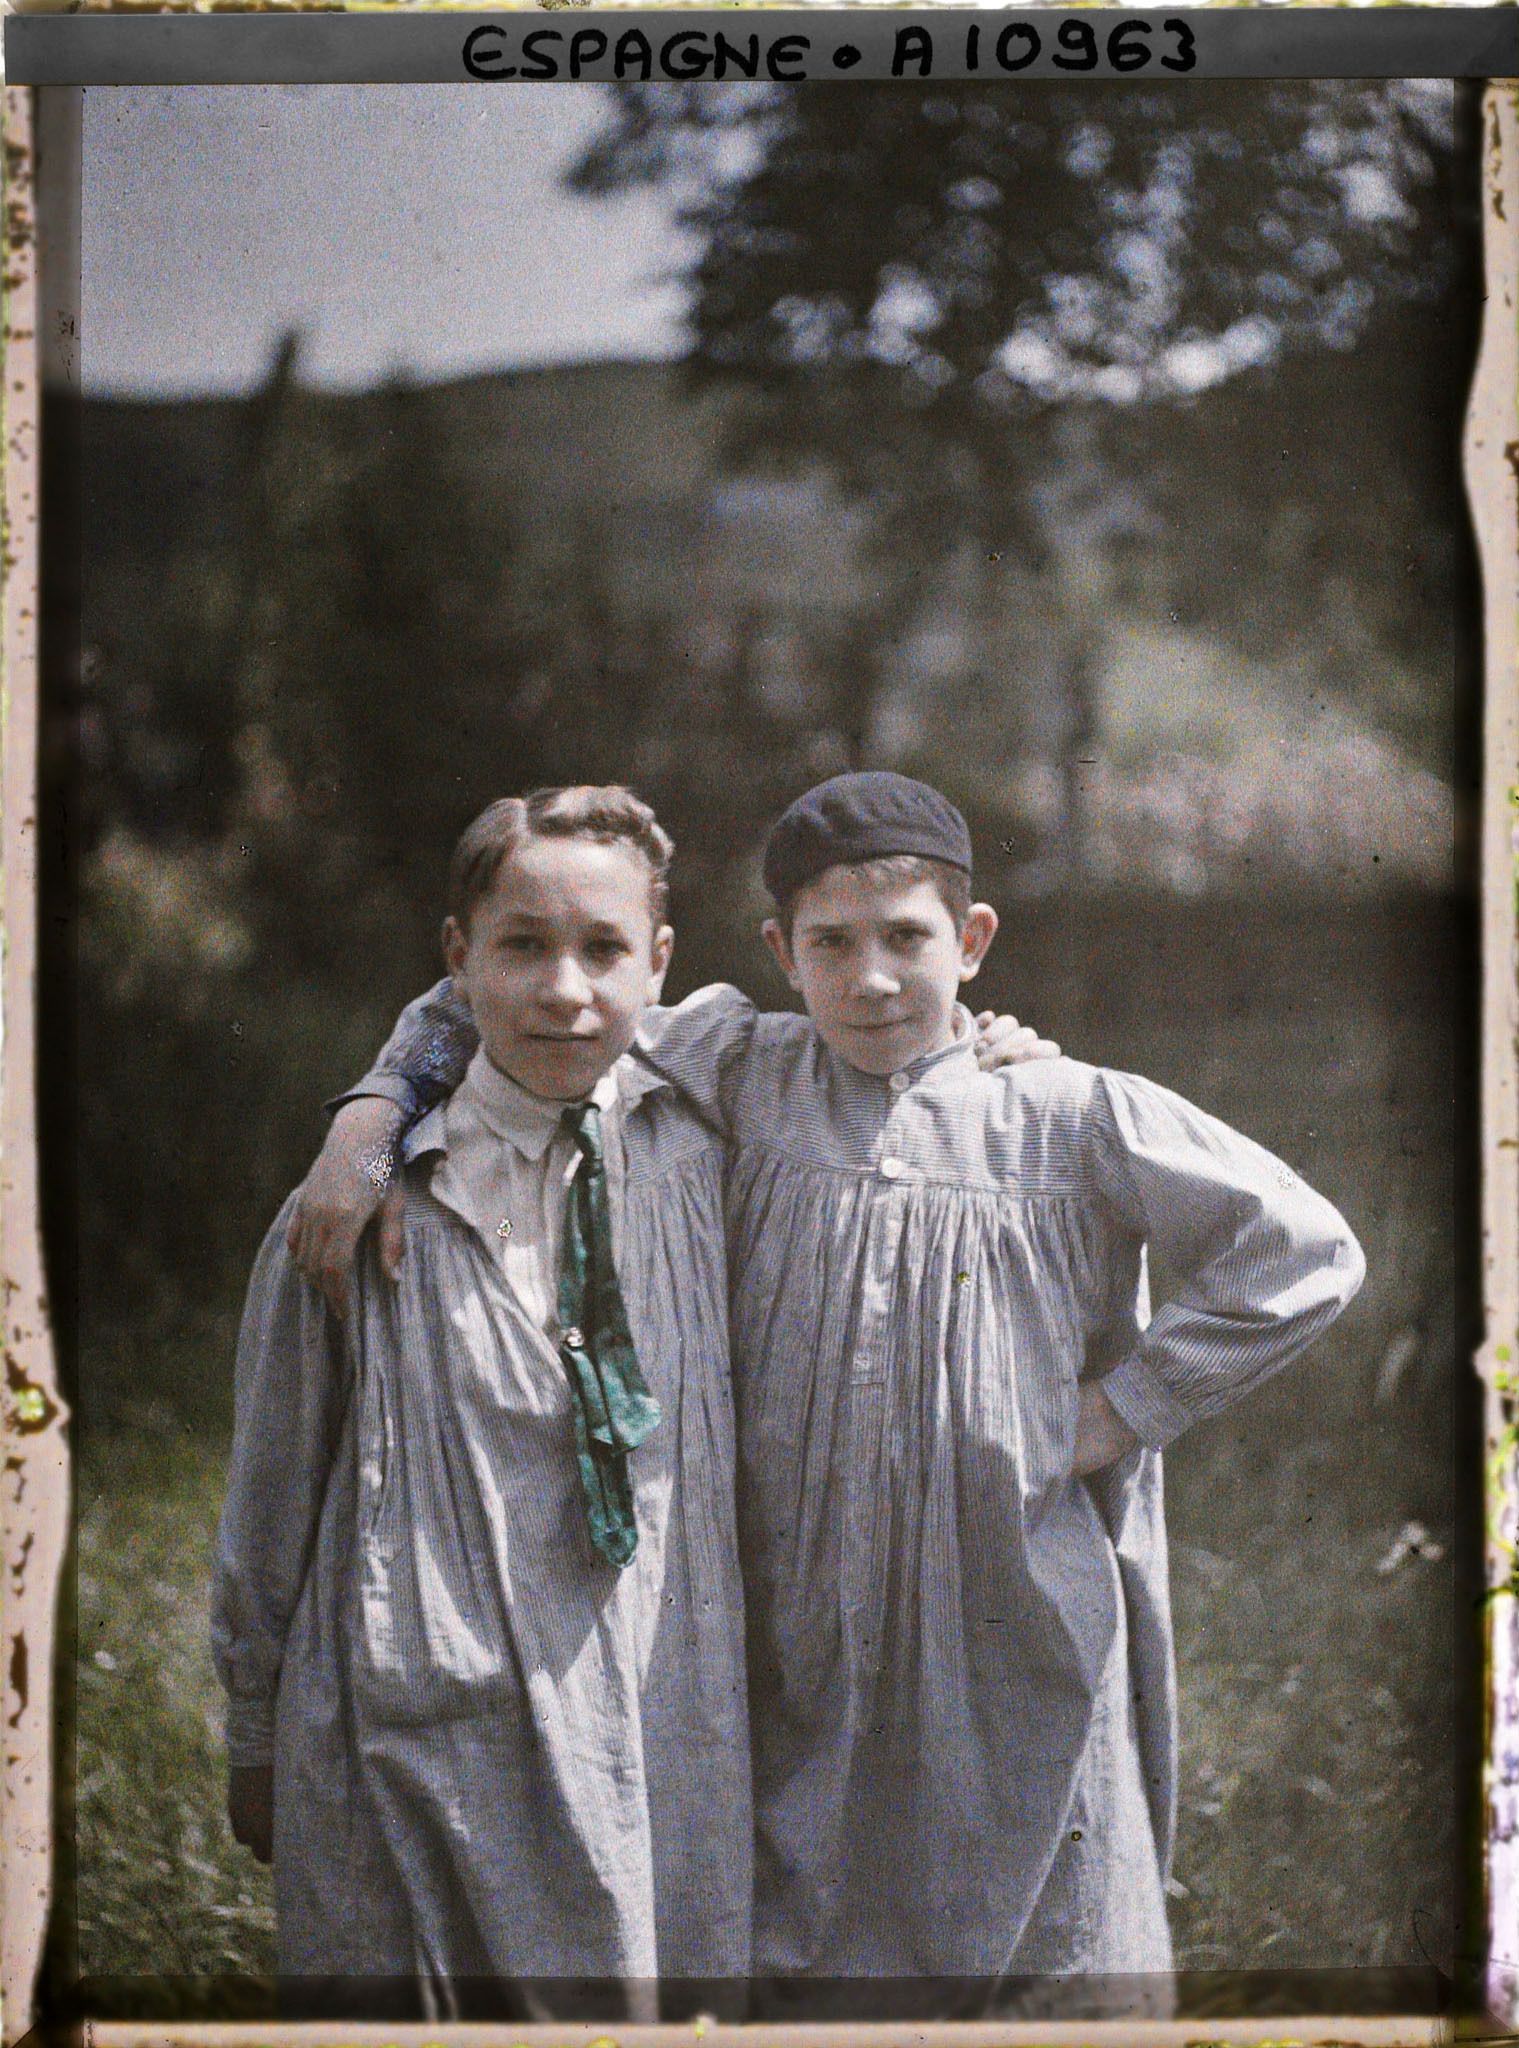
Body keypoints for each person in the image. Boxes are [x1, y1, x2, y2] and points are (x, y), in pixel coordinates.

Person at [294, 772, 1365, 2015]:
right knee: (815, 1914)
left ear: (968, 942)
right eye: (830, 944)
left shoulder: (1068, 1111)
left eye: (907, 938)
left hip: (1006, 1598)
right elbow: (496, 993)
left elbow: (1302, 1248)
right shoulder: (742, 1062)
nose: (869, 979)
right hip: (797, 1606)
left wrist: (1120, 1410)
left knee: (1037, 1902)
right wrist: (369, 1124)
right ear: (777, 953)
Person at [212, 786, 753, 2022]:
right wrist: (253, 1724)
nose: (565, 988)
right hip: (421, 1725)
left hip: (656, 1711)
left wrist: (996, 1045)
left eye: (605, 949)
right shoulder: (355, 1206)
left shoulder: (709, 1121)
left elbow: (884, 1046)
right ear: (457, 958)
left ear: (659, 962)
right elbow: (275, 1473)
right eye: (522, 944)